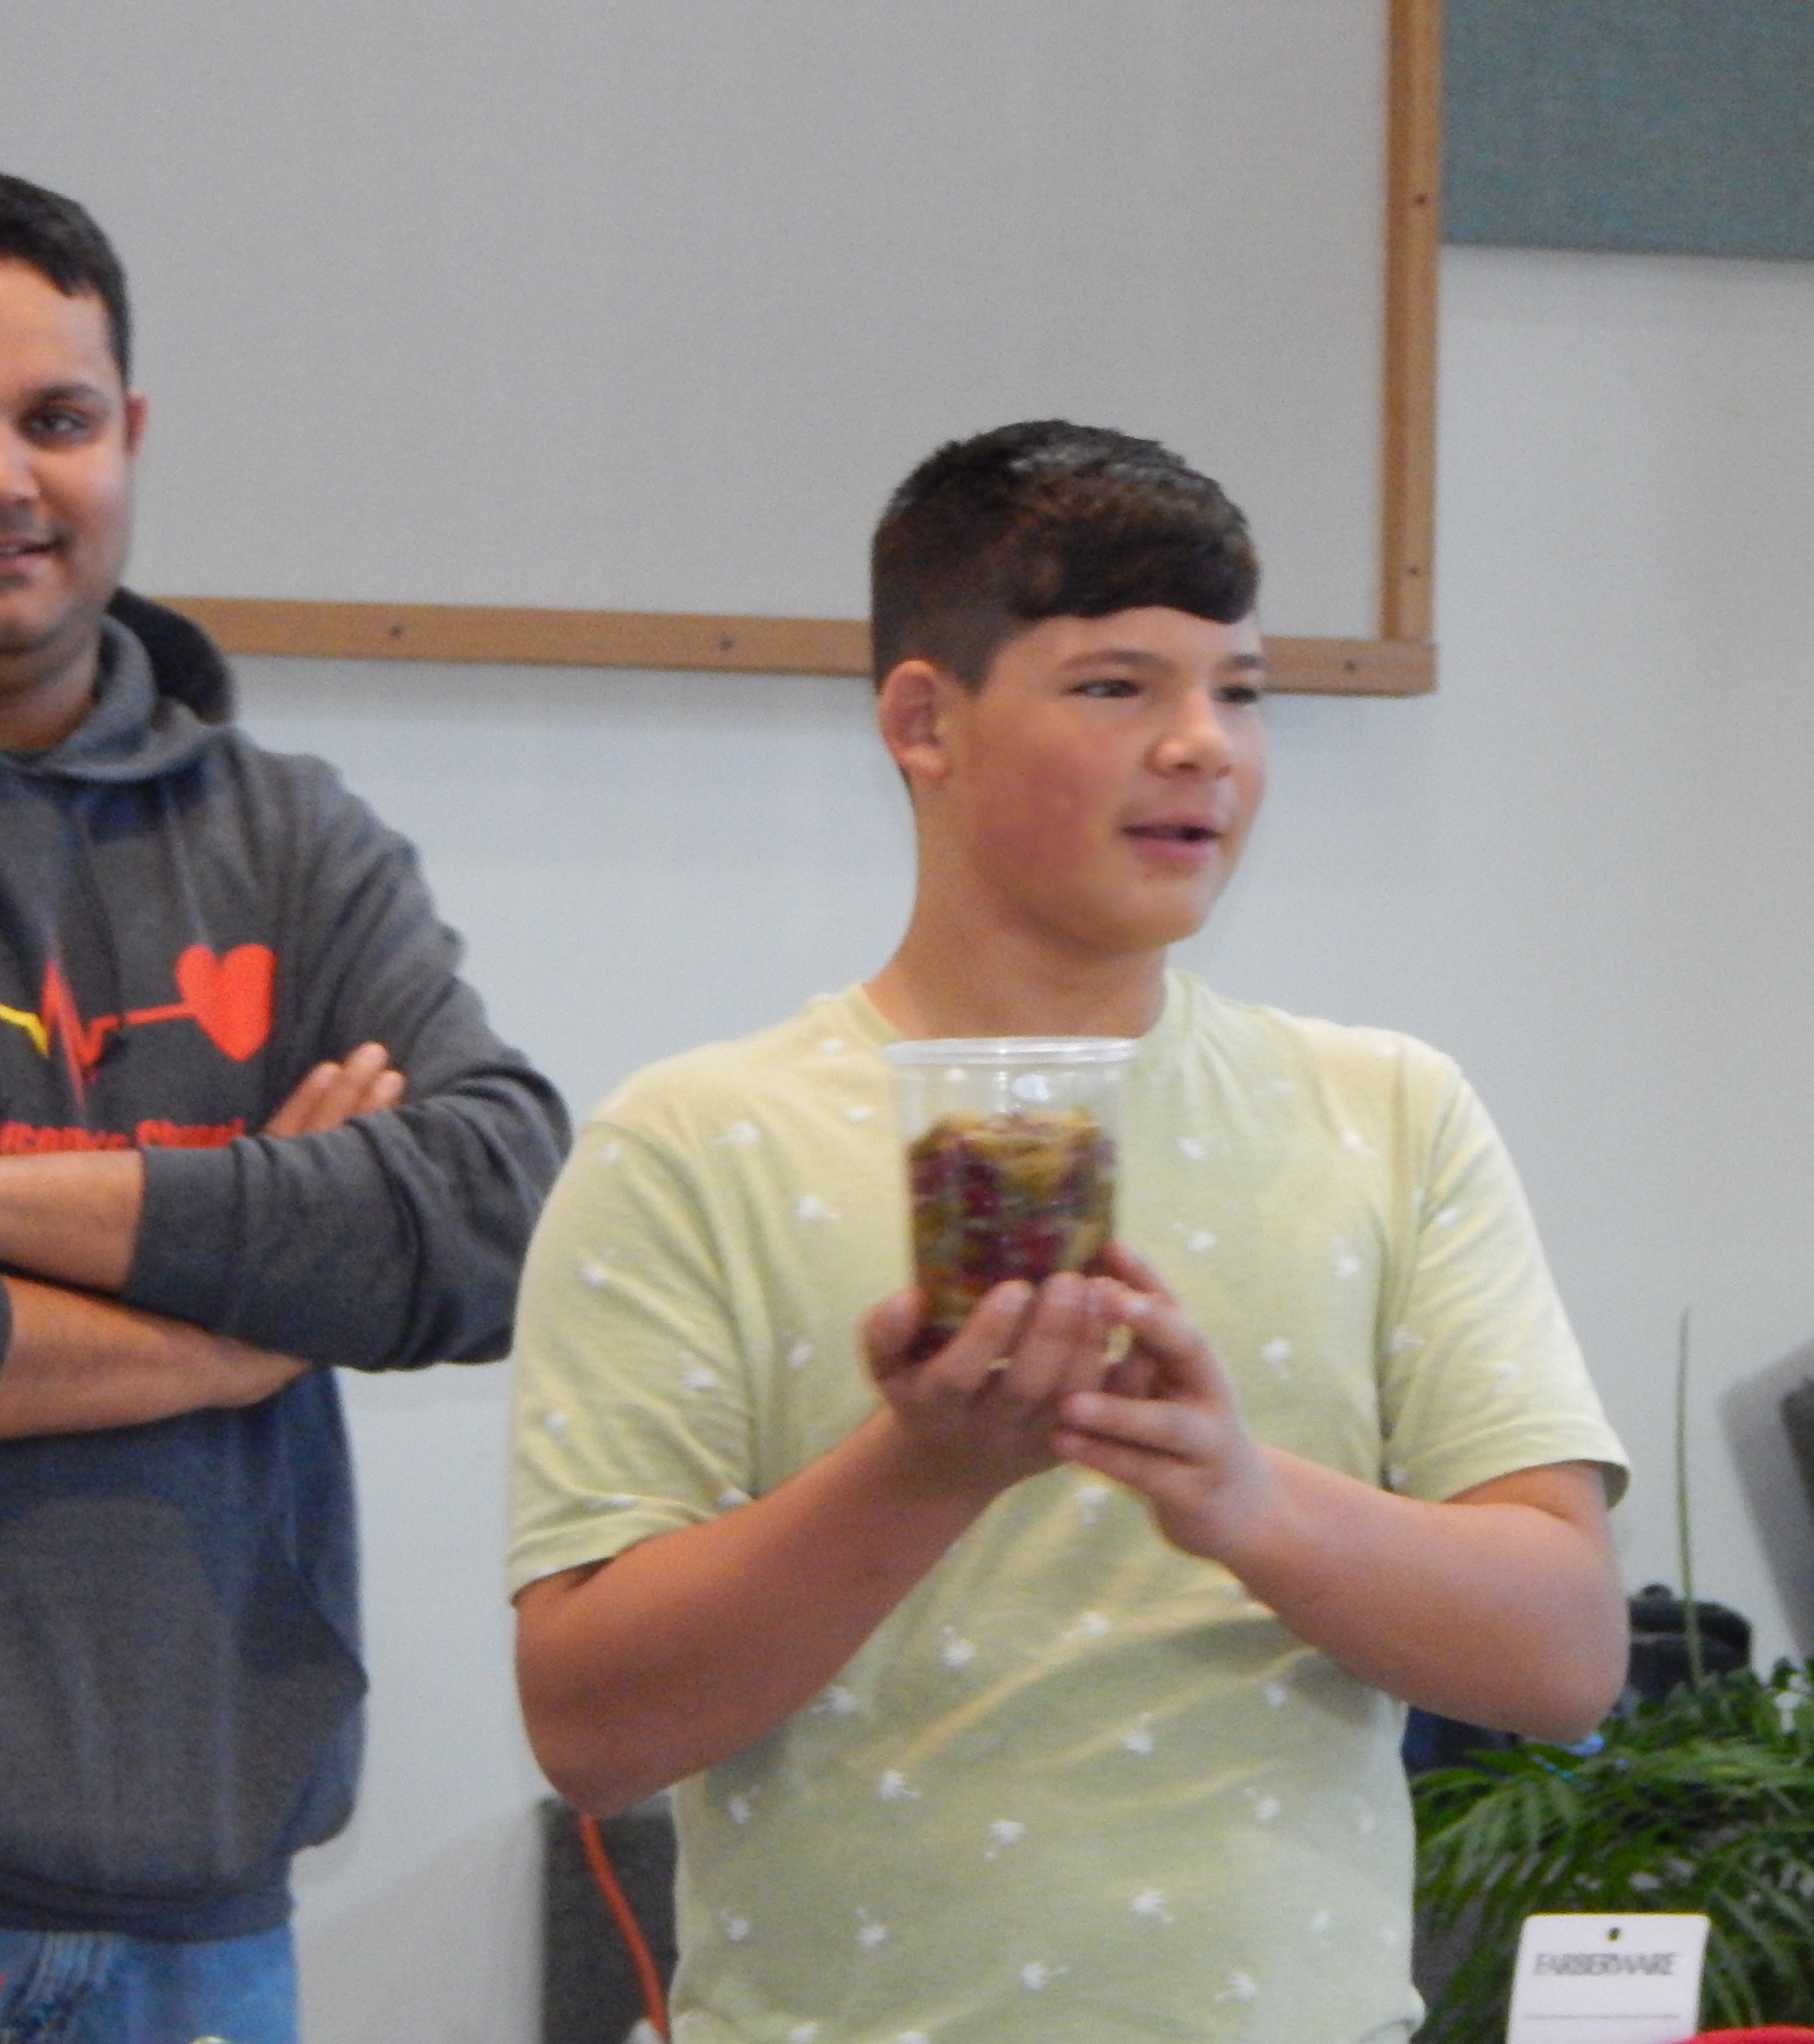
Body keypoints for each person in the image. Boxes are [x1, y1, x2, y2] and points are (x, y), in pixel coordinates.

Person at [510, 421, 1628, 2041]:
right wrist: (928, 1469)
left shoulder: (1387, 1116)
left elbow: (1565, 1653)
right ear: (924, 722)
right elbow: (594, 1731)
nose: (1203, 746)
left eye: (1241, 691)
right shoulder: (696, 1142)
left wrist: (1244, 1499)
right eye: (1117, 686)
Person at [0, 169, 570, 2041]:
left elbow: (496, 1215)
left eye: (56, 419)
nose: (0, 477)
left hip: (205, 1912)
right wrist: (252, 1321)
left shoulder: (289, 839)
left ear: (130, 438)